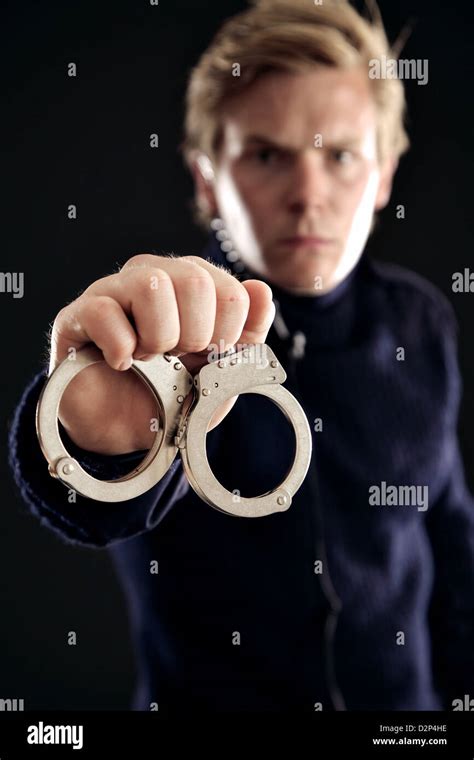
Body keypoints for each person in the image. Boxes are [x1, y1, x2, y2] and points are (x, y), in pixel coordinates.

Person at [8, 0, 474, 713]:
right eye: (266, 154)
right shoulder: (161, 333)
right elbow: (96, 504)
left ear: (384, 176)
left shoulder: (423, 322)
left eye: (341, 156)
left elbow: (452, 546)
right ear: (205, 179)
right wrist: (93, 435)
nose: (308, 196)